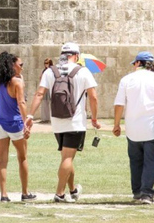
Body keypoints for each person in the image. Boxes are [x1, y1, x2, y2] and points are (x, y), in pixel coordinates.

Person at [27, 42, 100, 203]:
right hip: (75, 121)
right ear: (76, 55)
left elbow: (39, 94)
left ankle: (73, 190)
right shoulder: (83, 71)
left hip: (57, 121)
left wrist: (30, 116)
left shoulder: (50, 72)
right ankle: (59, 194)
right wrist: (94, 118)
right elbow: (93, 97)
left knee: (66, 157)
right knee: (68, 158)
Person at [112, 51, 154, 204]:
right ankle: (147, 193)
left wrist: (116, 125)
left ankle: (137, 191)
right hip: (152, 129)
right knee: (151, 161)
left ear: (138, 63)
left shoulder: (126, 79)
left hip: (132, 129)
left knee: (135, 161)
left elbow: (119, 104)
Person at [0, 51, 36, 203]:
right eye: (20, 65)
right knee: (22, 157)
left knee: (2, 160)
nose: (22, 67)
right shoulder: (16, 82)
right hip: (15, 124)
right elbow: (21, 103)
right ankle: (25, 192)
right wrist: (26, 123)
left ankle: (4, 195)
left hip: (0, 123)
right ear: (12, 65)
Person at [38, 58, 54, 123]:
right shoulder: (44, 70)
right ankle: (45, 118)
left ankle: (51, 118)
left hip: (51, 88)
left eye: (47, 63)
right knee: (44, 103)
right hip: (45, 88)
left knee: (52, 103)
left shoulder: (52, 70)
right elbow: (41, 78)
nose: (45, 64)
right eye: (45, 63)